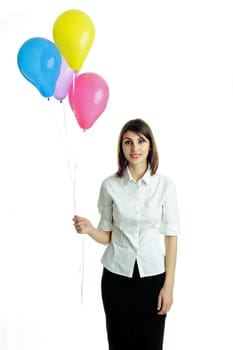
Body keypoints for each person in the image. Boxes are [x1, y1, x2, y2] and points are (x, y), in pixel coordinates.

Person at [73, 118, 180, 350]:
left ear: (150, 145)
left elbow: (171, 236)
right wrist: (90, 229)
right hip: (115, 280)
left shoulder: (165, 186)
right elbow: (109, 236)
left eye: (141, 141)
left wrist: (168, 285)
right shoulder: (110, 185)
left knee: (150, 345)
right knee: (120, 345)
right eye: (128, 142)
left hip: (153, 280)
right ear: (121, 148)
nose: (135, 148)